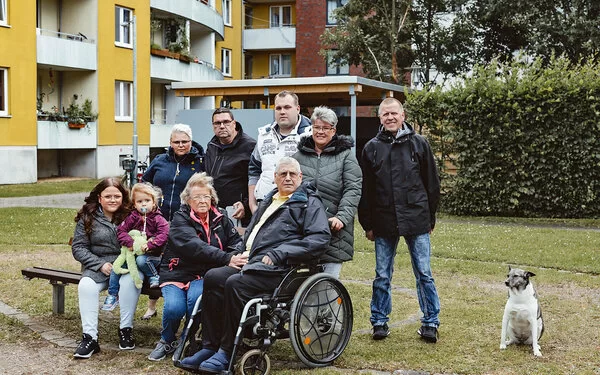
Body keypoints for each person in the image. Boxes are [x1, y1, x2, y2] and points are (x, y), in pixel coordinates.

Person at [178, 157, 331, 372]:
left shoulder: (309, 203)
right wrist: (236, 253)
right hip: (252, 261)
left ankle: (226, 350)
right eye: (282, 174)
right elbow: (251, 233)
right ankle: (209, 346)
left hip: (281, 268)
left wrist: (280, 253)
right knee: (213, 277)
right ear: (275, 178)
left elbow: (319, 239)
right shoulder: (270, 200)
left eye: (292, 174)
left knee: (234, 284)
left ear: (300, 177)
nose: (287, 178)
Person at [358, 97, 441, 342]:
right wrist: (368, 224)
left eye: (394, 113)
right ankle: (380, 321)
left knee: (424, 272)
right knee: (382, 274)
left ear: (403, 115)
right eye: (385, 114)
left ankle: (430, 322)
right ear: (380, 118)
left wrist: (430, 218)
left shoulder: (420, 144)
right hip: (384, 220)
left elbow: (432, 184)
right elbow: (366, 190)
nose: (390, 117)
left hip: (416, 218)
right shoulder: (371, 148)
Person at [148, 172, 246, 361]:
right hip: (177, 271)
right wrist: (226, 258)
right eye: (197, 197)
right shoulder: (180, 218)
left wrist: (234, 255)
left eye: (206, 196)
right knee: (174, 308)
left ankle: (187, 340)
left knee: (197, 302)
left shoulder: (221, 217)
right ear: (187, 200)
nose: (202, 201)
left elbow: (236, 241)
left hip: (205, 273)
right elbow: (193, 246)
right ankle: (166, 340)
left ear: (212, 198)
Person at [71, 177, 139, 358]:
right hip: (97, 266)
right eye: (108, 196)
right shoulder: (88, 217)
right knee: (86, 285)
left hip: (125, 265)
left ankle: (126, 330)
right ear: (99, 198)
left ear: (123, 197)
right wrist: (100, 265)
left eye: (117, 196)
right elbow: (78, 247)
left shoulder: (132, 215)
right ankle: (90, 338)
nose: (112, 200)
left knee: (129, 283)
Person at [142, 123, 204, 319]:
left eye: (185, 141)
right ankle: (152, 304)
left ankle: (182, 302)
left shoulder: (199, 162)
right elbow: (145, 182)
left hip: (185, 221)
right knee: (155, 259)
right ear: (170, 143)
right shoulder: (160, 160)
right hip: (158, 219)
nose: (181, 145)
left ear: (191, 142)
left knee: (176, 261)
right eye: (176, 142)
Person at [293, 105, 362, 278]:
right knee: (302, 284)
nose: (320, 131)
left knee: (328, 284)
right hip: (304, 228)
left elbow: (353, 188)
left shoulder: (345, 155)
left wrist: (342, 217)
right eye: (317, 127)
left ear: (334, 130)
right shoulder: (298, 156)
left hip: (333, 228)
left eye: (326, 128)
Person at [101, 182, 169, 312]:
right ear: (134, 204)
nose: (144, 204)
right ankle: (113, 295)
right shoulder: (133, 217)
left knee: (141, 260)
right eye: (140, 201)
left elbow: (164, 234)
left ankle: (154, 276)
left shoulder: (158, 219)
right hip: (133, 253)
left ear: (154, 202)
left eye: (147, 200)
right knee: (116, 267)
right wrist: (130, 243)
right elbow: (121, 231)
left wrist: (150, 245)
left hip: (152, 256)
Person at [248, 90, 311, 214]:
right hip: (264, 204)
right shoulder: (264, 135)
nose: (282, 112)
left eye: (287, 107)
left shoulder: (310, 135)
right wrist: (252, 203)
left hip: (296, 206)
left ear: (297, 109)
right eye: (278, 108)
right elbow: (254, 170)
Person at [205, 107, 257, 227]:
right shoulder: (212, 146)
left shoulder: (250, 146)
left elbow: (256, 179)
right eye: (217, 123)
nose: (222, 126)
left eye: (226, 122)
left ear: (234, 124)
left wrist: (245, 205)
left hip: (238, 212)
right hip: (213, 211)